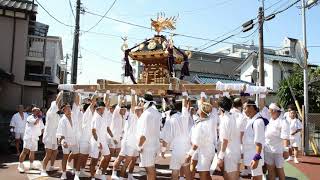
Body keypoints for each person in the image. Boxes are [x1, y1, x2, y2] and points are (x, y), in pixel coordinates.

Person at [161, 94, 191, 180]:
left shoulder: (170, 120)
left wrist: (163, 151)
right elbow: (185, 107)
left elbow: (166, 138)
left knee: (175, 173)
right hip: (187, 149)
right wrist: (185, 94)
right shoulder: (185, 116)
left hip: (177, 150)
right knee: (187, 172)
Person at [112, 91, 141, 180]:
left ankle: (130, 176)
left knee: (134, 159)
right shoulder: (132, 115)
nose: (141, 111)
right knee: (124, 159)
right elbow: (133, 105)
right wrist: (133, 94)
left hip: (134, 142)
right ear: (135, 110)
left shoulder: (140, 117)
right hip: (129, 142)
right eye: (139, 109)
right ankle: (118, 175)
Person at [185, 101, 216, 180]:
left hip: (204, 151)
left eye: (199, 108)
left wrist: (189, 155)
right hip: (206, 149)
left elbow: (196, 143)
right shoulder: (209, 120)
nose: (197, 110)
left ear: (202, 111)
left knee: (203, 175)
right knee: (206, 173)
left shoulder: (202, 124)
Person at [136, 92, 162, 180]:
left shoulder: (146, 114)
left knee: (149, 169)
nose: (140, 103)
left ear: (144, 102)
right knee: (151, 168)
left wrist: (139, 146)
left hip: (147, 146)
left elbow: (144, 135)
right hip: (154, 144)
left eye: (141, 101)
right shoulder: (156, 112)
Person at [217, 96, 243, 180]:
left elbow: (225, 140)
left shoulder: (225, 119)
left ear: (221, 108)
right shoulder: (232, 116)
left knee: (231, 177)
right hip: (235, 151)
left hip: (230, 153)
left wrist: (220, 157)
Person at [56, 93, 81, 180]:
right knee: (65, 156)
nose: (69, 109)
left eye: (69, 107)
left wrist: (77, 92)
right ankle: (63, 173)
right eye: (66, 108)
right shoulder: (62, 120)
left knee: (77, 156)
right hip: (66, 141)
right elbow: (60, 134)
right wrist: (63, 142)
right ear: (63, 110)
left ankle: (76, 173)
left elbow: (77, 103)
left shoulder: (74, 115)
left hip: (75, 140)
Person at [242, 99, 267, 180]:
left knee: (257, 177)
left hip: (255, 155)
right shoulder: (251, 119)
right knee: (254, 177)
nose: (244, 111)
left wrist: (256, 158)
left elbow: (259, 142)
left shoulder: (258, 121)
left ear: (252, 107)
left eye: (245, 108)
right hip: (250, 154)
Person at [264, 103, 290, 180]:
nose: (268, 112)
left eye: (270, 110)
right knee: (270, 170)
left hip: (278, 151)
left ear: (274, 111)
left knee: (279, 170)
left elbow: (285, 137)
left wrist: (286, 150)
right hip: (268, 150)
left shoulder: (283, 122)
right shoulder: (270, 120)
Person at [41, 92, 63, 176]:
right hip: (49, 136)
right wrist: (60, 95)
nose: (60, 106)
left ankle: (51, 166)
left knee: (55, 152)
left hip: (55, 137)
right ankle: (43, 169)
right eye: (58, 105)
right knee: (48, 153)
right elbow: (57, 103)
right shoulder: (50, 113)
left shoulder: (58, 115)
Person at [17, 107, 45, 173]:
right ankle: (20, 165)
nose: (38, 112)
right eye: (37, 111)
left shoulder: (40, 119)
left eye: (39, 111)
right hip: (28, 137)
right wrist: (40, 116)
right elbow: (35, 123)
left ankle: (31, 165)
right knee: (25, 151)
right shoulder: (30, 117)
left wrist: (42, 135)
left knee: (32, 152)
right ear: (33, 112)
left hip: (35, 138)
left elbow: (43, 128)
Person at [89, 101, 112, 180]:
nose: (103, 110)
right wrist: (98, 142)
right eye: (102, 109)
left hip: (103, 141)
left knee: (108, 157)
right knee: (94, 161)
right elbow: (93, 132)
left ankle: (102, 174)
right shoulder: (95, 117)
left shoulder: (103, 115)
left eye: (103, 108)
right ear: (98, 109)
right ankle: (92, 177)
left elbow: (107, 104)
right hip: (96, 142)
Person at [76, 95, 97, 178]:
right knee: (81, 157)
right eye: (94, 108)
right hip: (84, 139)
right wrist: (96, 92)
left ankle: (82, 171)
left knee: (86, 156)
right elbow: (93, 103)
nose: (95, 109)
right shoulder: (87, 113)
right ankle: (76, 175)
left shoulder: (94, 115)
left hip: (90, 139)